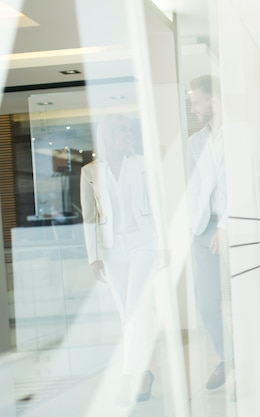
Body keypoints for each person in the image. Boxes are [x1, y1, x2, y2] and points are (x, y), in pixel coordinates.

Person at [80, 113, 161, 402]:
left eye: (128, 130)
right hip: (112, 249)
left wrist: (163, 245)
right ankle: (146, 369)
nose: (127, 134)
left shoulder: (141, 165)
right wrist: (94, 257)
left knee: (135, 309)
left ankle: (132, 375)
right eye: (121, 130)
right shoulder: (90, 172)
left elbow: (158, 206)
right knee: (127, 313)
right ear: (108, 135)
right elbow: (90, 218)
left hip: (143, 243)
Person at [186, 74, 230, 390]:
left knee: (238, 299)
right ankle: (228, 357)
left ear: (212, 99)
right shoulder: (194, 142)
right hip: (201, 229)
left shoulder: (238, 134)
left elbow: (239, 185)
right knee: (205, 302)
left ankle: (245, 360)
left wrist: (225, 225)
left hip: (232, 225)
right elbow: (192, 188)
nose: (193, 108)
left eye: (196, 100)